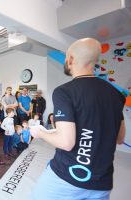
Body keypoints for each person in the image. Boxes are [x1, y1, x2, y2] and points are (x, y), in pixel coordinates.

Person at [30, 38, 126, 200]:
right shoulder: (115, 93)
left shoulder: (64, 92)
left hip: (66, 179)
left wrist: (40, 133)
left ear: (71, 59)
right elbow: (119, 137)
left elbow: (66, 142)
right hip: (101, 183)